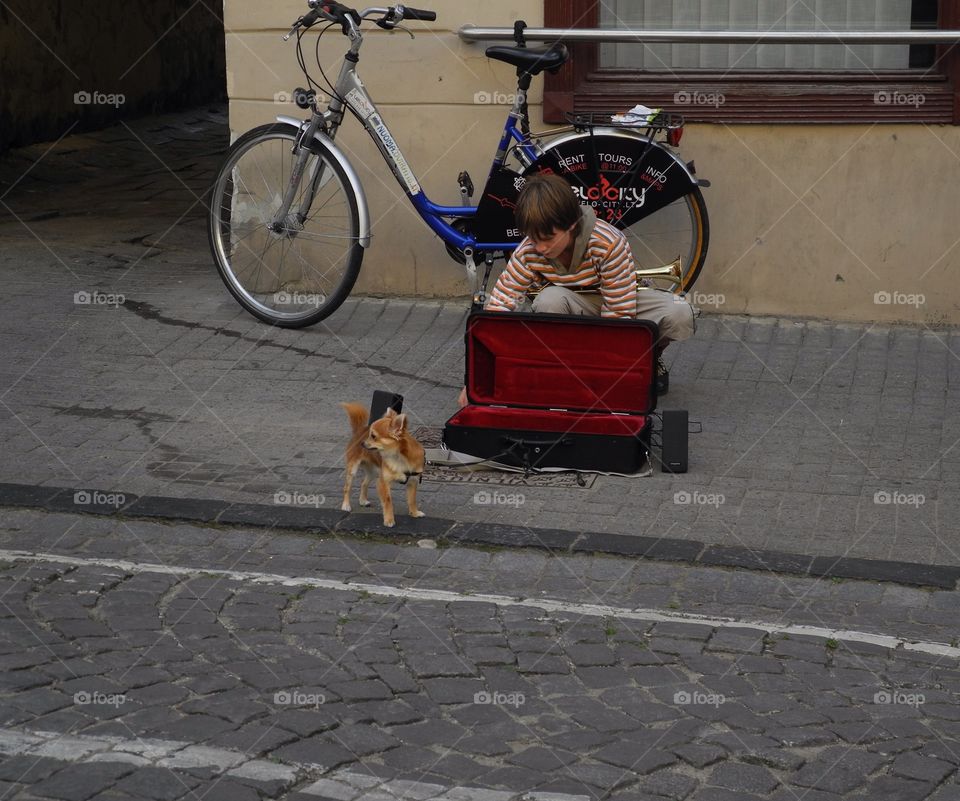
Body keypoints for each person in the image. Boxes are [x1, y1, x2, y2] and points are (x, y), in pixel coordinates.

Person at [457, 173, 694, 406]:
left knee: (679, 313)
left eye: (548, 238)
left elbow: (619, 317)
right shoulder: (529, 249)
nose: (540, 248)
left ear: (571, 225)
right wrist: (475, 381)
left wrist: (606, 382)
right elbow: (498, 310)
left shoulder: (609, 242)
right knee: (549, 300)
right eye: (533, 238)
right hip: (572, 304)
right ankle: (562, 368)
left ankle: (650, 358)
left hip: (614, 302)